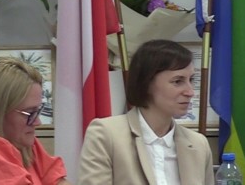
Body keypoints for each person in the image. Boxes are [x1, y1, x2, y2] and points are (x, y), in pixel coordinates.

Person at [77, 39, 213, 185]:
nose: (190, 92)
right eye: (178, 81)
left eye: (191, 80)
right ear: (146, 82)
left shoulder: (198, 144)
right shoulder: (106, 134)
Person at [0, 57, 71, 185]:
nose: (37, 122)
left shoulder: (25, 142)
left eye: (38, 111)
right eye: (29, 113)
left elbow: (55, 177)